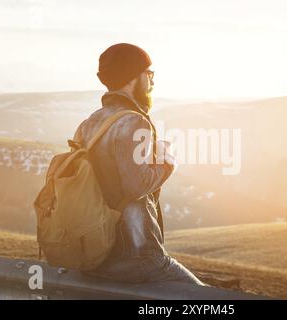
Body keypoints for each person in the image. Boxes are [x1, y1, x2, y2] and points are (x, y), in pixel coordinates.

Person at [77, 43, 205, 285]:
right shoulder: (135, 122)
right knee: (207, 299)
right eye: (149, 74)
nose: (152, 82)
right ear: (133, 77)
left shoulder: (91, 122)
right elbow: (136, 186)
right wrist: (167, 160)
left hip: (97, 253)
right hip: (138, 256)